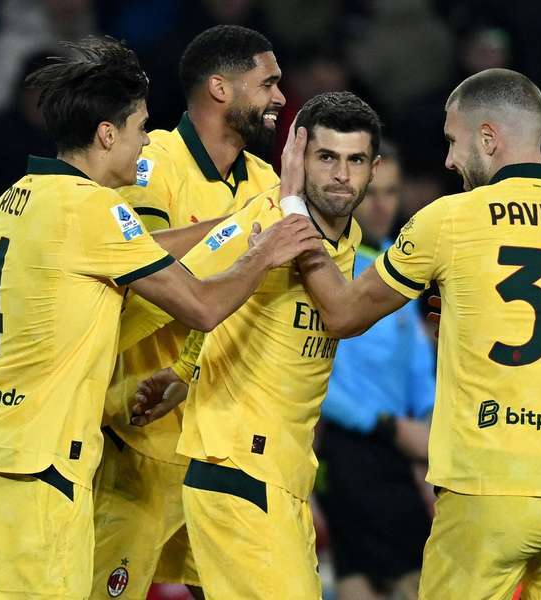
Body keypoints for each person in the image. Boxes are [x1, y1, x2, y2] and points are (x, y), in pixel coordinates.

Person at [0, 36, 320, 599]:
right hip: (39, 470)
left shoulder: (21, 196)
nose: (146, 141)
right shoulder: (95, 211)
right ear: (107, 133)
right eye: (140, 126)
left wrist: (242, 219)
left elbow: (142, 247)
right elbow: (200, 305)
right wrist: (262, 250)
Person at [287, 68, 541, 599]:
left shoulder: (451, 220)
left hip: (489, 492)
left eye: (453, 142)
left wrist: (294, 205)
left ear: (488, 137)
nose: (450, 160)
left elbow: (342, 313)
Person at [134, 91, 381, 599]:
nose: (341, 175)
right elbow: (166, 276)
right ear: (296, 156)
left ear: (373, 168)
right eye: (326, 157)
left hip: (284, 479)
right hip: (238, 473)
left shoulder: (347, 233)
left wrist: (183, 374)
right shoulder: (265, 218)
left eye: (355, 160)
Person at [92, 25, 284, 600]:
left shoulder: (266, 182)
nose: (279, 97)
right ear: (220, 88)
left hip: (224, 451)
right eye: (268, 83)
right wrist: (243, 233)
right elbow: (142, 278)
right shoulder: (150, 163)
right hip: (142, 444)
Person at [315, 142, 436, 600]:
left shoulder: (401, 267)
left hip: (400, 448)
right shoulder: (332, 268)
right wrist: (387, 425)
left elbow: (419, 372)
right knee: (415, 580)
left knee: (357, 578)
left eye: (392, 191)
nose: (384, 204)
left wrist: (426, 435)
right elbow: (315, 372)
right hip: (353, 447)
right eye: (374, 193)